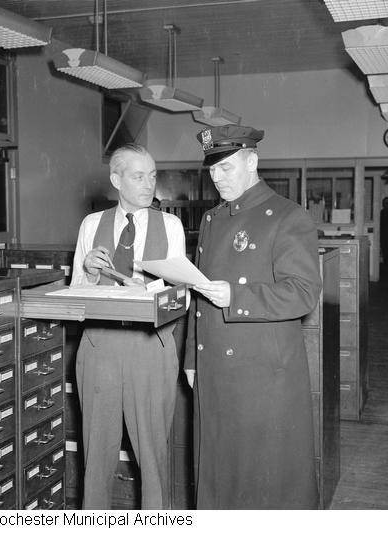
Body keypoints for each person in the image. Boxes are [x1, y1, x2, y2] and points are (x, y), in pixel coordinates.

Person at [184, 125, 323, 509]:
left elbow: (304, 292)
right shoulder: (212, 219)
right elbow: (198, 298)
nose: (217, 178)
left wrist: (237, 296)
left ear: (252, 161)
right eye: (212, 170)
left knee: (264, 479)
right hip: (213, 366)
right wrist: (192, 358)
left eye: (225, 167)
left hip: (262, 373)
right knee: (218, 470)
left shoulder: (287, 216)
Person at [70, 143, 186, 509]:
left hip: (150, 348)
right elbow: (75, 295)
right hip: (99, 348)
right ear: (116, 180)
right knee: (96, 457)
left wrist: (150, 289)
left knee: (153, 458)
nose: (149, 184)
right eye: (138, 176)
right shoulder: (92, 224)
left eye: (152, 175)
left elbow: (181, 297)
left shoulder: (171, 226)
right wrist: (89, 273)